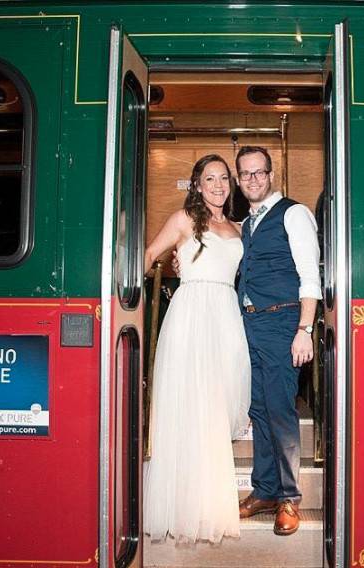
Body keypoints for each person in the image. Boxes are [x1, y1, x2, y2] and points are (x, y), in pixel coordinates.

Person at [142, 155, 251, 544]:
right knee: (189, 409)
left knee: (216, 411)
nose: (219, 184)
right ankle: (185, 508)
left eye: (224, 178)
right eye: (210, 178)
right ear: (198, 185)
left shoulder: (241, 228)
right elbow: (149, 255)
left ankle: (208, 504)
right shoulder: (182, 220)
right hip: (190, 318)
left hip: (227, 318)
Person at [234, 146, 321, 536]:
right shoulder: (248, 223)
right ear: (239, 180)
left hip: (283, 323)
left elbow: (310, 277)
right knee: (258, 411)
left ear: (271, 174)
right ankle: (265, 489)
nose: (253, 179)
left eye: (259, 172)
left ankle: (289, 498)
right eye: (246, 174)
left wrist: (304, 330)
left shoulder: (294, 213)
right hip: (248, 326)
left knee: (282, 413)